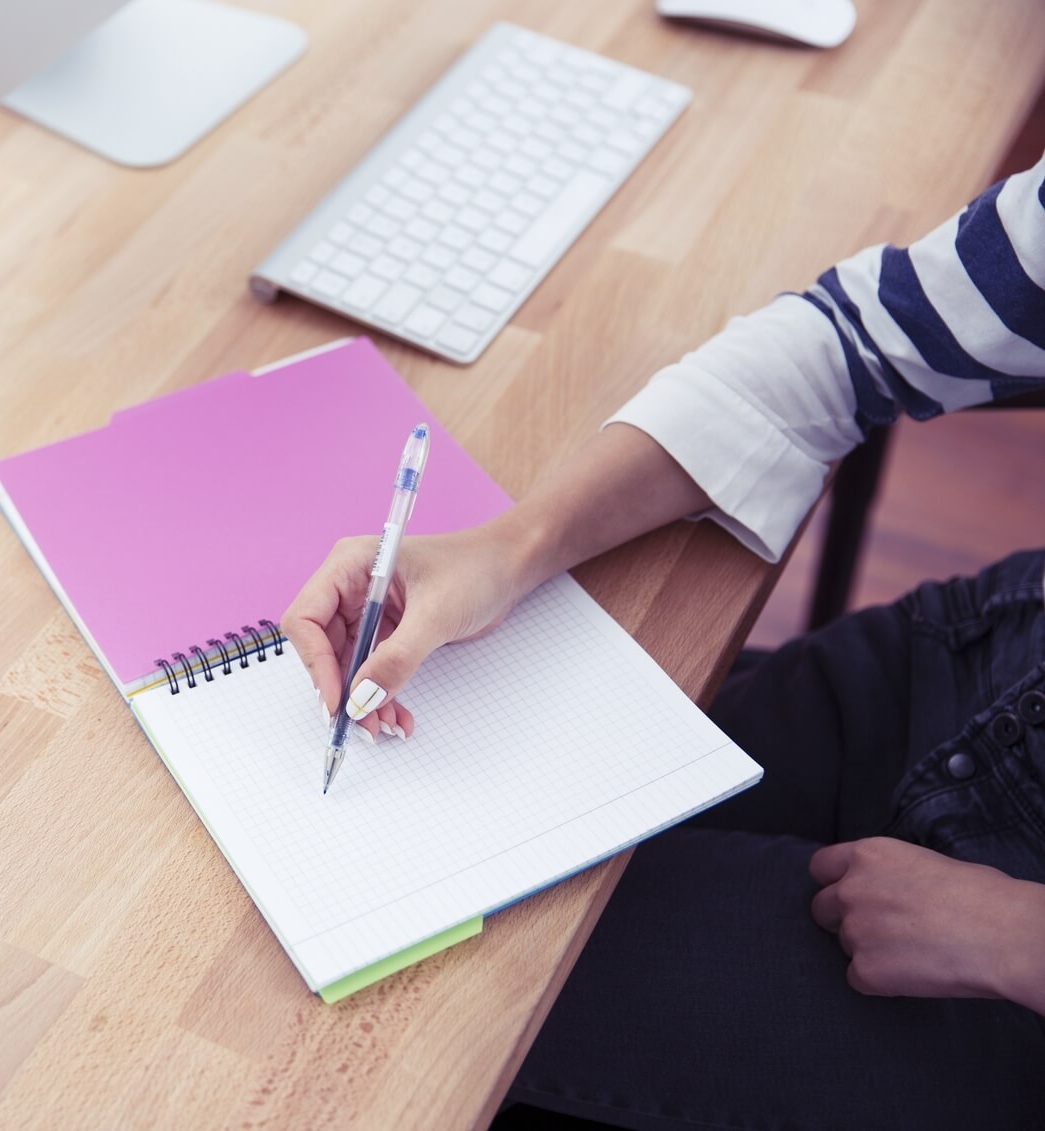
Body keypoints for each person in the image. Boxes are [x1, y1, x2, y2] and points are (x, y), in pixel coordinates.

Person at [283, 148, 1045, 1129]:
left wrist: (1021, 941)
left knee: (443, 994)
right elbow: (845, 344)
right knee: (503, 838)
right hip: (989, 663)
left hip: (1011, 987)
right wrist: (509, 548)